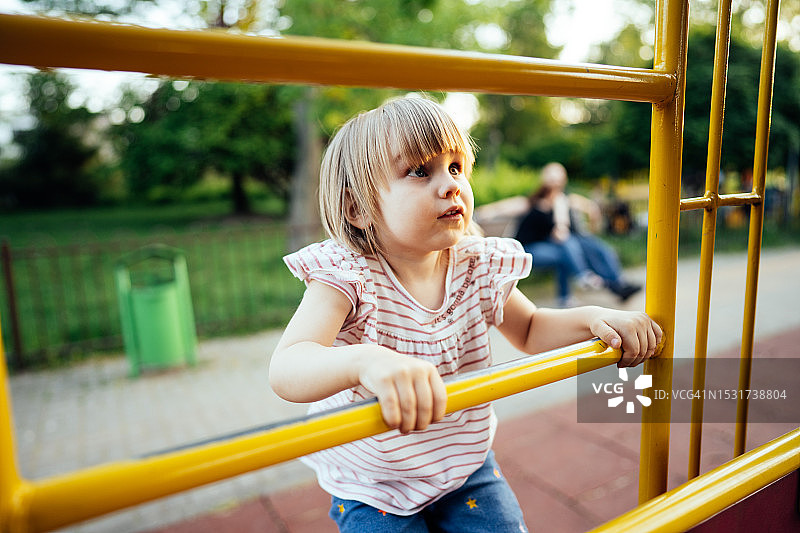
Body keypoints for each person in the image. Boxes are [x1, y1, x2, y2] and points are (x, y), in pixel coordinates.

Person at [269, 97, 662, 533]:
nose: (451, 184)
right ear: (357, 209)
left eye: (456, 168)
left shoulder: (476, 264)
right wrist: (366, 361)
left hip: (464, 468)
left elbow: (530, 330)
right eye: (420, 171)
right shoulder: (348, 276)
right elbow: (289, 367)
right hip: (373, 483)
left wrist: (592, 318)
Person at [514, 162, 642, 307]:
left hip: (572, 240)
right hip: (554, 243)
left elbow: (590, 210)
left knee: (603, 250)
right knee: (569, 250)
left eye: (559, 176)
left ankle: (617, 284)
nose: (555, 180)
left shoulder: (567, 198)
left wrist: (591, 214)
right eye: (551, 175)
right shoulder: (539, 202)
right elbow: (559, 227)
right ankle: (592, 280)